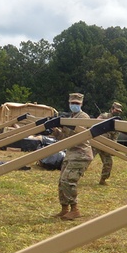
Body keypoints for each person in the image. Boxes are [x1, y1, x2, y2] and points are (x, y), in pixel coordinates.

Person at [52, 92, 93, 220]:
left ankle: (75, 209)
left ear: (81, 104)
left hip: (81, 154)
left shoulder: (83, 117)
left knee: (68, 181)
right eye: (72, 103)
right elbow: (65, 138)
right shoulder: (70, 116)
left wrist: (65, 123)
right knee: (61, 182)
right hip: (71, 153)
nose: (74, 105)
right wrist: (55, 131)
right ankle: (64, 209)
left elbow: (79, 135)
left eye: (77, 103)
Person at [94, 101, 122, 185]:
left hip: (105, 145)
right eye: (116, 110)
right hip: (96, 142)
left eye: (119, 111)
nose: (117, 113)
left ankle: (103, 180)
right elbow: (93, 126)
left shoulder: (118, 123)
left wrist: (113, 148)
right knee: (87, 158)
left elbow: (115, 138)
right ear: (111, 109)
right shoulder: (103, 116)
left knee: (108, 162)